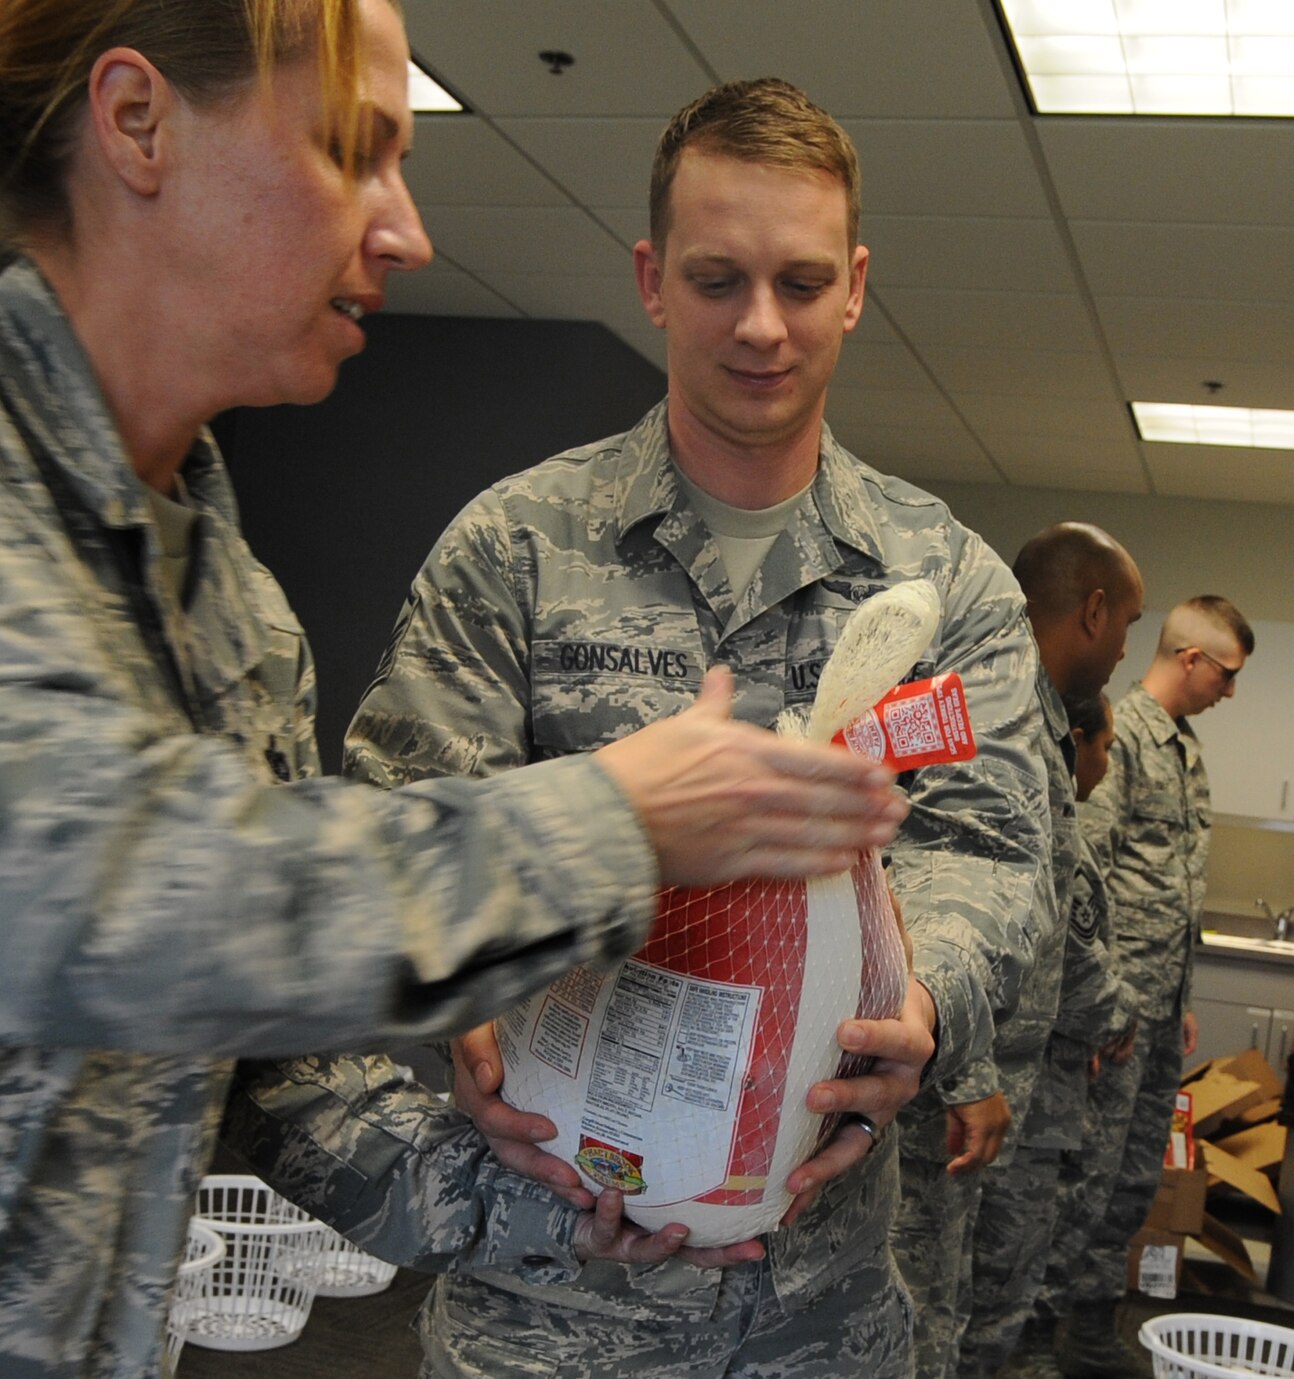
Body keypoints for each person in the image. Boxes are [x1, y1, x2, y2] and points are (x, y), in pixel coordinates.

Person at [0, 6, 910, 1375]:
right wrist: (621, 819)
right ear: (138, 122)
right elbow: (107, 890)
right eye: (352, 151)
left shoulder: (225, 605)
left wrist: (553, 1197)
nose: (406, 228)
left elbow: (276, 1064)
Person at [221, 76, 1050, 1378]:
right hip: (548, 1292)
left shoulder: (939, 586)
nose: (762, 325)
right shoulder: (518, 550)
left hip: (819, 1307)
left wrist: (920, 995)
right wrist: (465, 1007)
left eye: (800, 280)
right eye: (719, 280)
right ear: (654, 279)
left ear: (856, 284)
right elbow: (399, 830)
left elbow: (991, 850)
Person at [944, 527, 1145, 1379]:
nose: (1128, 645)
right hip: (971, 1078)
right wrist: (968, 1069)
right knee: (957, 1316)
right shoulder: (994, 708)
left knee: (971, 1308)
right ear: (1092, 611)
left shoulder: (1024, 712)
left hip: (994, 1079)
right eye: (1130, 622)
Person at [1051, 596, 1253, 1377]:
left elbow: (1171, 886)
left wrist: (1180, 998)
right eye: (1227, 675)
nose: (1230, 693)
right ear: (1192, 658)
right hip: (1117, 1008)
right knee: (1086, 1177)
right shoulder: (1125, 735)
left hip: (1159, 1006)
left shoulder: (1186, 749)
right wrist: (1108, 1004)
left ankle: (1093, 1331)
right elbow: (1089, 876)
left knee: (1134, 1178)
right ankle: (1041, 1336)